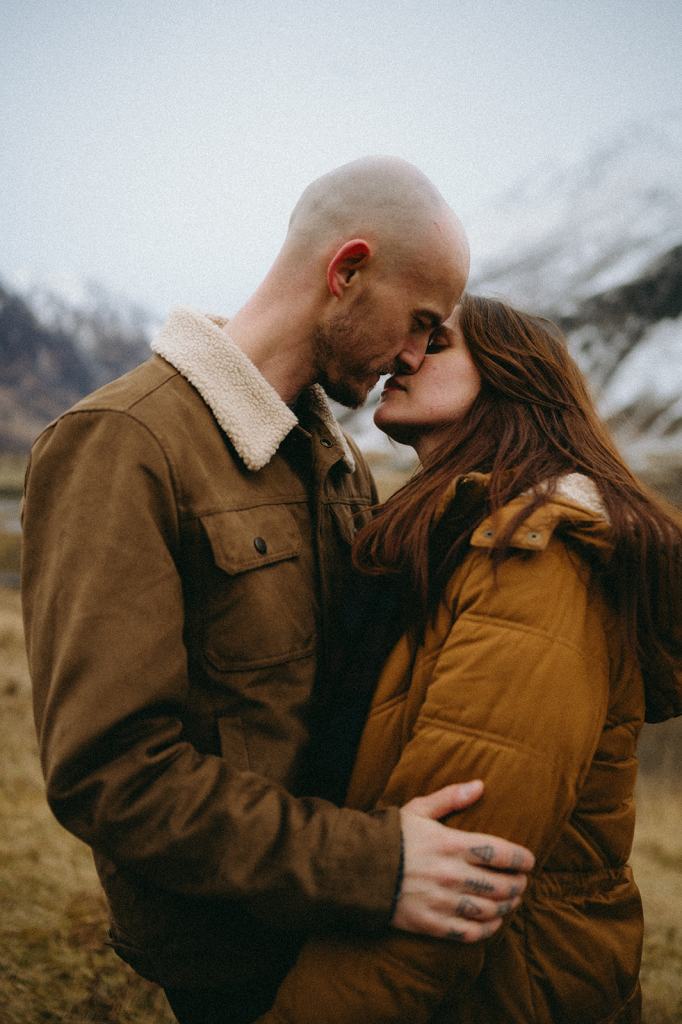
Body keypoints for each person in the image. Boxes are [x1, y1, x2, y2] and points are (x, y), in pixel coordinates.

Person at [20, 160, 535, 1024]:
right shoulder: (124, 443)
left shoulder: (335, 460)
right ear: (347, 271)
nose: (416, 355)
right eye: (418, 324)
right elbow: (111, 774)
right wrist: (374, 868)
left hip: (341, 935)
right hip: (234, 957)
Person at [252, 294, 682, 1024]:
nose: (403, 355)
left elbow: (457, 877)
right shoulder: (450, 532)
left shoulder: (538, 564)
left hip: (509, 987)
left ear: (513, 382)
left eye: (436, 343)